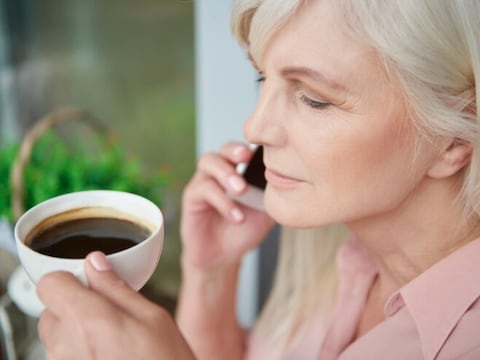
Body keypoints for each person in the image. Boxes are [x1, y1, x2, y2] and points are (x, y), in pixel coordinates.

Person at [36, 0, 480, 359]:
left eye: (313, 99)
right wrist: (211, 271)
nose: (255, 127)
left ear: (453, 138)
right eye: (262, 77)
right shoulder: (346, 260)